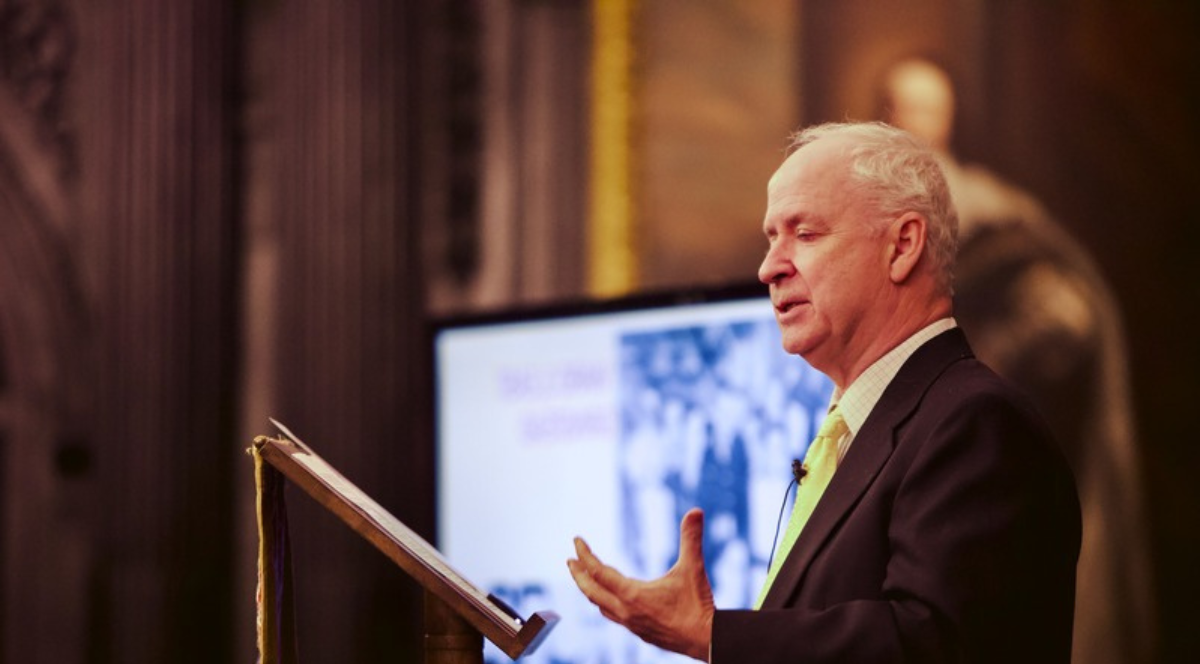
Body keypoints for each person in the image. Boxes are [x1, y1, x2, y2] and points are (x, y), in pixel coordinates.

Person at [567, 122, 1080, 662]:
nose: (769, 268)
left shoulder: (976, 423)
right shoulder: (859, 433)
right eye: (771, 238)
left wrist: (716, 636)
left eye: (805, 234)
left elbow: (932, 645)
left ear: (902, 246)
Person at [882, 57, 1156, 664]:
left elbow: (1066, 315)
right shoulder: (869, 215)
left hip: (984, 453)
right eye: (906, 109)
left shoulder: (988, 211)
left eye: (929, 108)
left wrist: (978, 368)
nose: (919, 122)